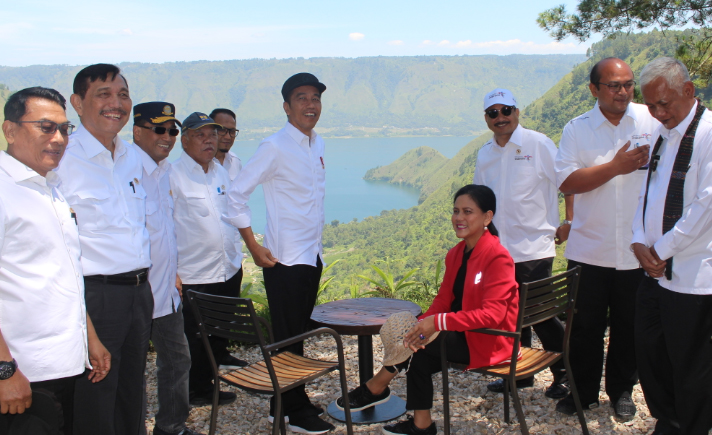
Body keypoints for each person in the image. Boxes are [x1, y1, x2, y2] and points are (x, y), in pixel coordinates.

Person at [337, 184, 519, 435]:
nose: (459, 218)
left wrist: (436, 323)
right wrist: (421, 324)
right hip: (460, 333)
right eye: (456, 211)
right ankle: (418, 422)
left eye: (468, 211)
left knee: (421, 347)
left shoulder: (497, 257)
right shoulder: (455, 254)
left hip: (489, 338)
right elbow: (443, 300)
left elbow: (494, 315)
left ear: (487, 217)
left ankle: (377, 386)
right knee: (417, 345)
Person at [226, 72, 332, 434]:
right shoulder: (274, 146)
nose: (310, 104)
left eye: (315, 98)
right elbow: (235, 195)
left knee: (297, 333)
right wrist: (253, 246)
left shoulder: (316, 144)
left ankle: (287, 403)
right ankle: (291, 411)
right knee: (288, 337)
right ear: (287, 107)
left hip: (310, 255)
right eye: (302, 98)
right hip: (284, 259)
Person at [0, 87, 110, 435]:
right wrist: (4, 371)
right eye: (46, 127)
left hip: (63, 365)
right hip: (23, 371)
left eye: (65, 129)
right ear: (10, 129)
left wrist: (89, 338)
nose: (59, 138)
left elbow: (65, 274)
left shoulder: (50, 189)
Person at [554, 57, 660, 418]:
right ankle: (582, 393)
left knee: (629, 328)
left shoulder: (650, 120)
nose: (623, 92)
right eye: (614, 85)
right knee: (584, 327)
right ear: (594, 89)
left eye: (628, 84)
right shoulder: (577, 129)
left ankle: (621, 391)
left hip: (636, 249)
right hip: (590, 248)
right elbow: (566, 182)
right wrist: (616, 166)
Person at [55, 63, 154, 435]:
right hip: (95, 294)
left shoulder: (130, 156)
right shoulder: (62, 158)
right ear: (78, 103)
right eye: (104, 94)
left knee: (131, 390)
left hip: (138, 292)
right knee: (94, 396)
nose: (117, 103)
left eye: (123, 94)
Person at [632, 57, 712, 435]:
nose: (659, 112)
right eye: (652, 106)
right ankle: (669, 416)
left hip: (693, 275)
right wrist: (637, 241)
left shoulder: (709, 133)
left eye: (665, 103)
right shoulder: (665, 133)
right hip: (655, 270)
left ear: (689, 91)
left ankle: (693, 426)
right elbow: (647, 195)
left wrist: (659, 251)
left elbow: (704, 209)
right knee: (649, 350)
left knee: (691, 361)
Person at [474, 88, 570, 399]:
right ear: (487, 118)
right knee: (507, 314)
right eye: (493, 113)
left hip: (533, 247)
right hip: (498, 248)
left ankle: (566, 374)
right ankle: (520, 372)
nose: (500, 118)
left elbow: (567, 182)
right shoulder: (485, 154)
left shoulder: (538, 144)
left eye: (506, 110)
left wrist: (569, 220)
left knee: (539, 314)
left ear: (517, 112)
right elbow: (478, 198)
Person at [132, 102, 203, 435]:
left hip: (165, 291)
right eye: (159, 129)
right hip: (133, 293)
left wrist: (172, 270)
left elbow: (163, 232)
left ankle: (171, 427)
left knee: (177, 361)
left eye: (172, 130)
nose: (167, 136)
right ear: (138, 131)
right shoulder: (127, 170)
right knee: (130, 373)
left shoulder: (163, 173)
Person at [170, 112, 244, 408]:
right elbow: (162, 225)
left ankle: (208, 382)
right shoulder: (172, 175)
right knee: (195, 337)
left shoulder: (220, 171)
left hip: (227, 268)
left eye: (212, 134)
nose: (209, 140)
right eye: (200, 135)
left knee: (217, 333)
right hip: (195, 274)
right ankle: (194, 390)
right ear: (184, 140)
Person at [209, 108, 241, 182]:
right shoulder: (199, 164)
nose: (228, 137)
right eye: (222, 130)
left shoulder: (235, 162)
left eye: (232, 131)